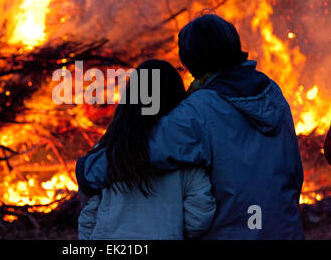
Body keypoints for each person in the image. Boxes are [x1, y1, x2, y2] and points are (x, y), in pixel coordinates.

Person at [76, 14, 305, 239]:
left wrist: (87, 169)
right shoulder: (272, 93)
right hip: (286, 230)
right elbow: (294, 172)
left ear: (190, 62)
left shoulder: (200, 110)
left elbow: (142, 151)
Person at [78, 59, 216, 240]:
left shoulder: (106, 153)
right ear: (176, 98)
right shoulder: (185, 151)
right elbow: (199, 215)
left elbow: (88, 215)